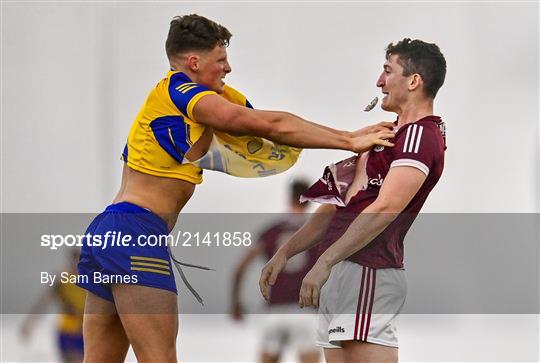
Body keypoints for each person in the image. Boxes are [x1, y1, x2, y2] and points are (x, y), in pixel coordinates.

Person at [76, 14, 395, 363]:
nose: (228, 67)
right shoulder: (182, 92)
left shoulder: (185, 98)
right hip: (136, 232)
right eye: (220, 60)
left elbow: (267, 130)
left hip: (107, 231)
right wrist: (348, 139)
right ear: (193, 62)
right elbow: (268, 123)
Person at [260, 38, 447, 363]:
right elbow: (336, 206)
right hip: (339, 274)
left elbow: (387, 208)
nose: (379, 81)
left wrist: (325, 262)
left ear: (414, 81)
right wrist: (286, 252)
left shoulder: (419, 135)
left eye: (388, 71)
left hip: (367, 270)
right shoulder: (385, 133)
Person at [231, 180, 320, 363]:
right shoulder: (317, 231)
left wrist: (236, 302)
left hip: (275, 309)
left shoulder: (272, 231)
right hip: (305, 310)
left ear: (289, 197)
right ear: (310, 199)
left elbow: (240, 269)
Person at [21, 249, 86, 363]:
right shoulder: (61, 280)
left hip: (85, 330)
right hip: (68, 329)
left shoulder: (90, 280)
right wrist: (29, 323)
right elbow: (43, 302)